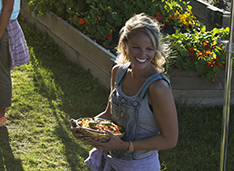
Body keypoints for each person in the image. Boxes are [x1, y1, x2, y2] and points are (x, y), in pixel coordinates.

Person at [71, 14, 178, 171]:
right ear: (124, 44)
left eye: (149, 49)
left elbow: (170, 140)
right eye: (136, 47)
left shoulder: (158, 87)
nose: (143, 55)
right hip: (110, 161)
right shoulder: (118, 73)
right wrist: (84, 129)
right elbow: (109, 114)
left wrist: (125, 146)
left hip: (140, 166)